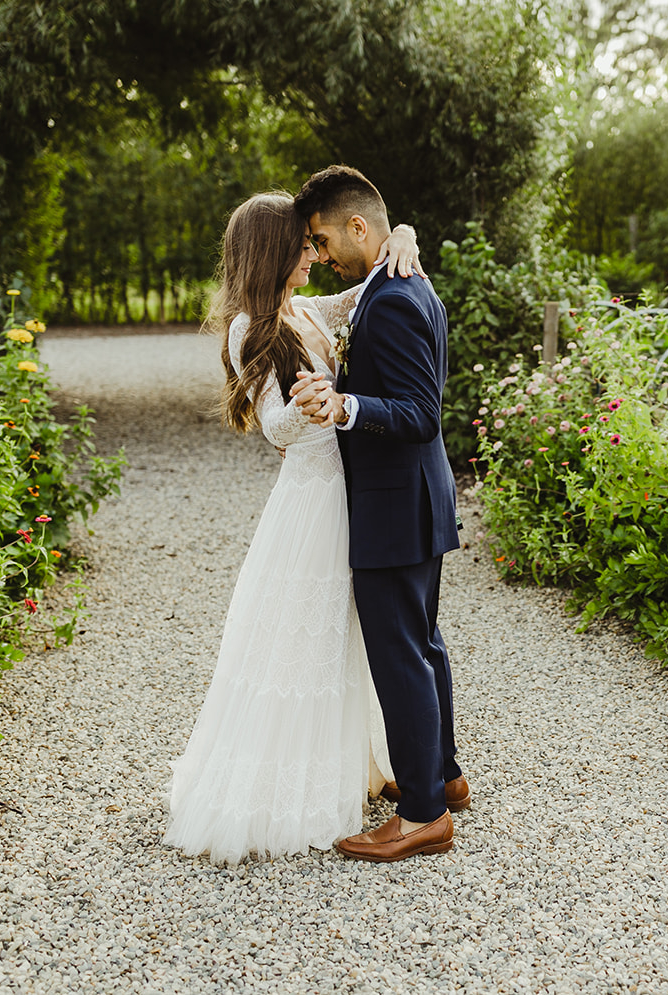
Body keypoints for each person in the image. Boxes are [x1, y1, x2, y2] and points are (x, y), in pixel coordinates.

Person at [163, 191, 420, 863]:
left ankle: (360, 763)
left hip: (343, 492)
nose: (314, 251)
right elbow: (270, 425)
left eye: (316, 241)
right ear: (274, 250)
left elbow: (364, 297)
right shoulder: (248, 327)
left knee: (345, 634)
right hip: (309, 499)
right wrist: (309, 408)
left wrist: (406, 237)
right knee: (301, 640)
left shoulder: (303, 311)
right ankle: (288, 788)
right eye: (303, 243)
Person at [289, 165, 466, 863]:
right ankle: (442, 776)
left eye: (325, 239)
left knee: (401, 657)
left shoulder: (391, 297)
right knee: (424, 644)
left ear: (359, 227)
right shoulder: (400, 280)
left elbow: (421, 414)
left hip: (395, 504)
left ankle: (423, 814)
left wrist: (346, 405)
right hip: (418, 499)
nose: (323, 254)